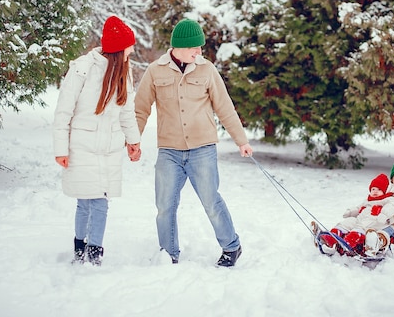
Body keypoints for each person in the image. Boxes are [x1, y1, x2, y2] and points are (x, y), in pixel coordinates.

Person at [134, 18, 253, 267]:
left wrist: (241, 140)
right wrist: (133, 140)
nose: (199, 52)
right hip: (169, 151)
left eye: (200, 48)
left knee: (211, 201)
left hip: (202, 149)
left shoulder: (207, 69)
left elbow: (225, 107)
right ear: (179, 47)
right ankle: (169, 252)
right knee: (165, 205)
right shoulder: (155, 70)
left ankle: (232, 246)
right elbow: (140, 109)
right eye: (194, 48)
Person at [53, 15, 141, 266]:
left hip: (110, 149)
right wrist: (61, 148)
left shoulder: (125, 72)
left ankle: (95, 253)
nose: (132, 51)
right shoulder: (82, 68)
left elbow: (126, 111)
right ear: (117, 49)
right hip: (82, 146)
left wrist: (133, 142)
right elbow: (63, 111)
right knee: (84, 201)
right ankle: (79, 248)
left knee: (101, 201)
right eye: (128, 47)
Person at [313, 173, 394, 256]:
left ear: (385, 191)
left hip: (374, 222)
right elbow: (358, 208)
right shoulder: (368, 200)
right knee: (349, 222)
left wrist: (384, 214)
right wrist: (351, 212)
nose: (375, 191)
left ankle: (349, 242)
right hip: (360, 220)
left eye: (379, 189)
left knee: (361, 226)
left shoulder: (388, 199)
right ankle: (331, 238)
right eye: (373, 189)